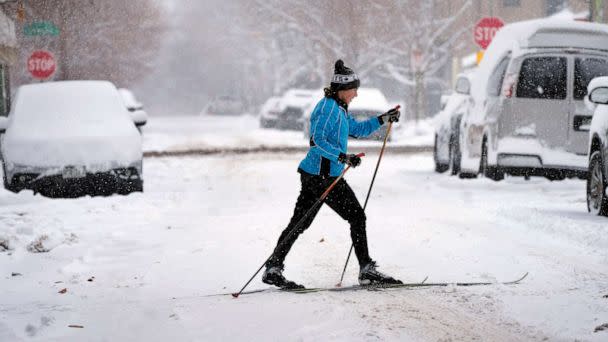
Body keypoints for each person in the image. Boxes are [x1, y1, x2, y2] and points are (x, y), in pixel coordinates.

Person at [263, 59, 402, 289]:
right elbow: (317, 141)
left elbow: (357, 130)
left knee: (300, 223)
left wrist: (383, 119)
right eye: (354, 89)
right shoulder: (327, 109)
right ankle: (366, 269)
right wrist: (342, 157)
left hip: (319, 175)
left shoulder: (339, 108)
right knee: (356, 216)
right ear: (344, 89)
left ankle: (273, 267)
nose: (356, 94)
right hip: (322, 176)